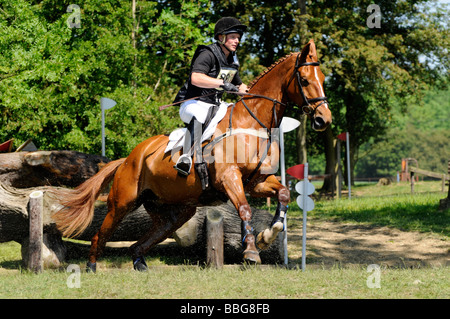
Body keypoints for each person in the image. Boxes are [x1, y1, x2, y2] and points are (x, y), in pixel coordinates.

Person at [173, 17, 248, 190]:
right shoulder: (207, 53)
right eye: (233, 37)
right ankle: (185, 157)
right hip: (193, 104)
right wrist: (222, 84)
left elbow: (239, 84)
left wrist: (252, 93)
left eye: (239, 37)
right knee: (200, 115)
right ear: (221, 37)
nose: (237, 40)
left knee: (235, 115)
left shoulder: (232, 60)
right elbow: (196, 77)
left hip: (215, 106)